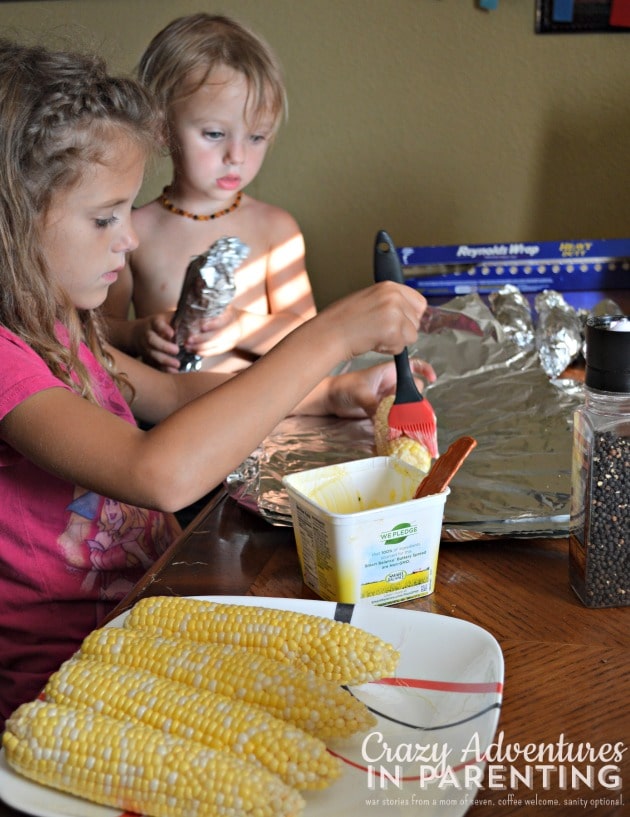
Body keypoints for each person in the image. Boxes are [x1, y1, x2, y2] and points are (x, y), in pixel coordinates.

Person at [0, 39, 433, 729]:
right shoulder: (5, 358)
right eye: (105, 217)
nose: (130, 239)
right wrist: (330, 335)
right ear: (15, 223)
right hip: (71, 681)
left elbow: (172, 398)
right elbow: (158, 471)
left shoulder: (64, 327)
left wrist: (324, 391)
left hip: (153, 612)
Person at [103, 13, 317, 374]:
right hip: (171, 417)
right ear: (161, 129)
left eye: (256, 137)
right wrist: (137, 334)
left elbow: (309, 338)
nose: (237, 156)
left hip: (268, 417)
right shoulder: (131, 233)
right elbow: (98, 333)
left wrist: (242, 327)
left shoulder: (276, 230)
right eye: (215, 134)